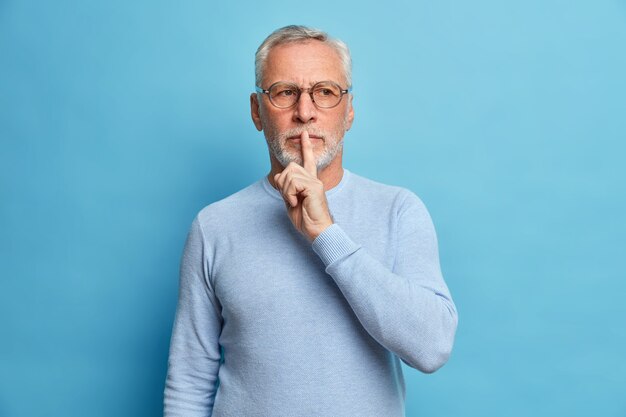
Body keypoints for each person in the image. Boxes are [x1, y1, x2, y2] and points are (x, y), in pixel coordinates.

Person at [164, 25, 458, 417]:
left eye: (325, 92)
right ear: (257, 111)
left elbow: (432, 346)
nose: (305, 112)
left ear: (349, 110)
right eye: (285, 93)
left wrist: (326, 234)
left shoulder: (398, 211)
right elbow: (189, 380)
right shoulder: (214, 226)